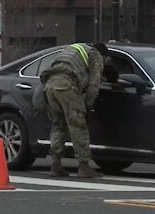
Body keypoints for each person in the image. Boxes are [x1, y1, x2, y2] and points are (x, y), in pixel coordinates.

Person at [40, 42, 109, 178]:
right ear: (103, 55)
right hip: (67, 85)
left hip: (50, 85)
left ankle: (56, 165)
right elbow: (94, 83)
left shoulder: (74, 49)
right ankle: (84, 167)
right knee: (78, 125)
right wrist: (88, 105)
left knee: (58, 125)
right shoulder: (95, 54)